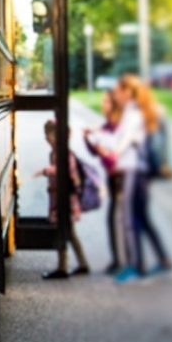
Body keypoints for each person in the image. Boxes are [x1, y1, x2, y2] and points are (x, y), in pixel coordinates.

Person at [111, 75, 172, 283]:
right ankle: (164, 259)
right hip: (140, 172)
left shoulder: (134, 113)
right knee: (142, 218)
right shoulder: (137, 111)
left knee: (130, 218)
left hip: (133, 171)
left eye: (118, 91)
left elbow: (128, 139)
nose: (115, 95)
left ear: (128, 92)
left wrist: (114, 154)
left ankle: (136, 266)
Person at [38, 119, 89, 279]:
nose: (47, 138)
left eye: (50, 134)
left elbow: (68, 173)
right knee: (70, 232)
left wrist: (49, 171)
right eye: (46, 134)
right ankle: (82, 264)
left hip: (65, 199)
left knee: (63, 231)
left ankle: (63, 267)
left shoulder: (63, 153)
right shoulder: (55, 152)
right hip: (59, 197)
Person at [84, 91, 124, 274]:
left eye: (106, 102)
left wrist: (103, 152)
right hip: (114, 177)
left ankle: (122, 261)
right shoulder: (107, 126)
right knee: (117, 219)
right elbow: (95, 152)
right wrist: (88, 140)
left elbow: (114, 158)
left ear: (114, 104)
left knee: (122, 220)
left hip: (122, 177)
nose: (103, 105)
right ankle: (119, 260)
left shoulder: (117, 127)